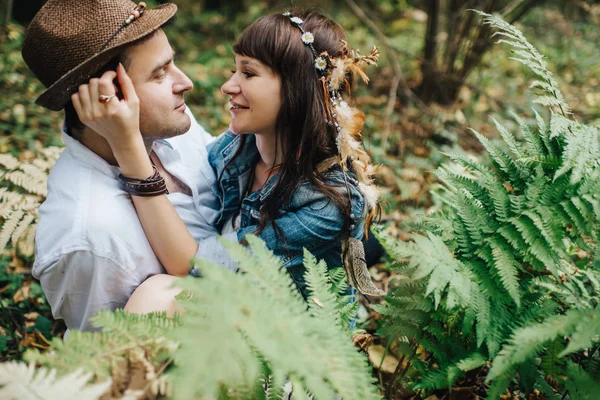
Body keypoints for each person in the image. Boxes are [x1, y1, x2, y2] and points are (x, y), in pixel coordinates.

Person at [73, 9, 384, 302]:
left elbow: (195, 266)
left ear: (297, 89)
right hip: (237, 303)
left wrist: (128, 149)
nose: (226, 86)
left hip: (290, 338)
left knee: (155, 297)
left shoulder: (327, 203)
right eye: (234, 70)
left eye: (248, 73)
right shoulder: (238, 146)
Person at [22, 0, 234, 331]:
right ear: (110, 96)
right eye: (160, 74)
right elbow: (113, 357)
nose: (185, 82)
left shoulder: (170, 122)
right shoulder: (91, 236)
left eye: (172, 64)